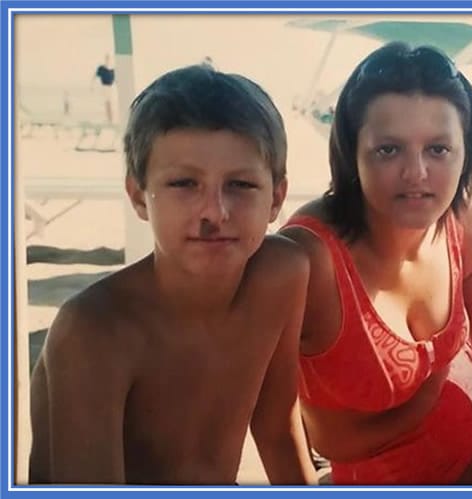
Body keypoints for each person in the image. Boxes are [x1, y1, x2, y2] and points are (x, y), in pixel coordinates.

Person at [29, 64, 316, 485]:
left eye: (241, 185)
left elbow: (275, 430)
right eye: (184, 183)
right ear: (138, 196)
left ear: (277, 198)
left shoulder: (283, 275)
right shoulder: (96, 331)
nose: (215, 212)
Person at [279, 42, 472, 485]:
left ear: (467, 151)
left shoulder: (469, 222)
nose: (416, 173)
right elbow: (324, 438)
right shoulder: (311, 259)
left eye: (438, 150)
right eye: (388, 150)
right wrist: (427, 396)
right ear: (352, 154)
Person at [92, 54, 116, 123]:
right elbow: (95, 76)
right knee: (107, 102)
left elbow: (116, 79)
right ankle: (109, 118)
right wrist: (92, 86)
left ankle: (110, 118)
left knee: (109, 103)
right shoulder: (102, 68)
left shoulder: (112, 69)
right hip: (105, 87)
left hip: (110, 87)